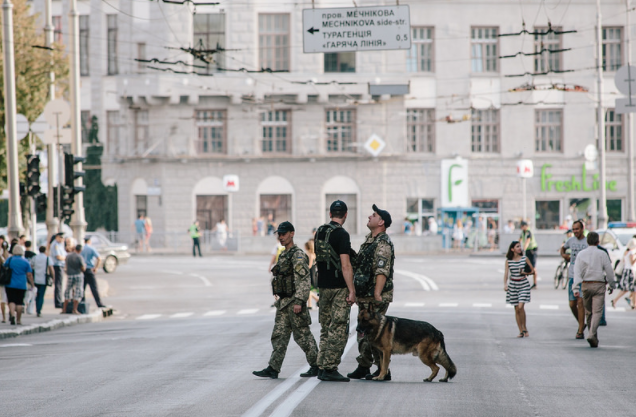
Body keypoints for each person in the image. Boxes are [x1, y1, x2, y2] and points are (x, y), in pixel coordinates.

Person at [253, 221, 319, 379]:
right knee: (279, 336)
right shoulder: (283, 254)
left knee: (302, 336)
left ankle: (317, 365)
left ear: (292, 233)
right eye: (279, 234)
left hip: (294, 302)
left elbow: (303, 279)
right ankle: (273, 368)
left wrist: (299, 301)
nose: (281, 237)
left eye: (283, 234)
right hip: (283, 303)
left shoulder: (297, 254)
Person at [348, 204, 395, 381]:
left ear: (381, 222)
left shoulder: (382, 243)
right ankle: (371, 367)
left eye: (373, 215)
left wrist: (377, 294)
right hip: (364, 295)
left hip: (375, 296)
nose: (369, 216)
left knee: (371, 332)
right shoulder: (370, 240)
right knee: (367, 332)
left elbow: (382, 270)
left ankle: (373, 368)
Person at [314, 200, 356, 382]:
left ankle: (322, 365)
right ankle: (330, 368)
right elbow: (345, 266)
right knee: (338, 328)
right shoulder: (342, 235)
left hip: (323, 287)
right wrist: (352, 290)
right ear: (345, 215)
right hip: (339, 287)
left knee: (325, 327)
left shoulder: (319, 232)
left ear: (330, 214)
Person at [572, 232, 617, 348]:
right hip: (599, 285)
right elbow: (609, 271)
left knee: (589, 311)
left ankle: (594, 337)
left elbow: (576, 271)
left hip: (586, 285)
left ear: (587, 241)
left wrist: (575, 287)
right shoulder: (602, 254)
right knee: (597, 312)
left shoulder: (581, 254)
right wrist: (612, 285)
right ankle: (592, 334)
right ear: (598, 241)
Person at [561, 220, 588, 339]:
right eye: (573, 229)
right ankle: (581, 323)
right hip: (572, 275)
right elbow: (562, 248)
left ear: (582, 229)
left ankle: (580, 330)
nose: (575, 231)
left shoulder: (588, 242)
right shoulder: (570, 241)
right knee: (572, 304)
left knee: (580, 302)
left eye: (577, 229)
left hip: (584, 277)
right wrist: (564, 256)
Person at [504, 241, 534, 338]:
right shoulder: (508, 261)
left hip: (523, 284)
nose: (519, 248)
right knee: (517, 309)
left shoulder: (525, 259)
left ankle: (524, 327)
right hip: (513, 285)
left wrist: (525, 273)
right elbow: (506, 274)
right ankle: (521, 331)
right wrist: (505, 284)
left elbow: (532, 271)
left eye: (520, 246)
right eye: (517, 247)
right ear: (512, 249)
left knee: (521, 306)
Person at [3, 245, 34, 325]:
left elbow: (4, 266)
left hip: (10, 283)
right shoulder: (25, 261)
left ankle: (12, 314)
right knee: (19, 302)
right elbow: (29, 274)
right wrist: (32, 284)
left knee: (11, 300)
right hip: (22, 284)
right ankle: (18, 319)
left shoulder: (10, 260)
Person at [611, 238, 636, 309]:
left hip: (626, 270)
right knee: (631, 288)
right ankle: (633, 304)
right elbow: (632, 263)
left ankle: (633, 304)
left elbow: (624, 261)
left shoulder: (626, 251)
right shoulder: (631, 252)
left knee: (630, 289)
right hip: (630, 271)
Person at [81, 237, 106, 308]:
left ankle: (82, 303)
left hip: (82, 270)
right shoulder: (91, 249)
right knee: (94, 288)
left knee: (82, 288)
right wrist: (96, 267)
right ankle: (99, 303)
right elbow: (99, 258)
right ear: (89, 241)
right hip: (90, 269)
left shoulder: (81, 249)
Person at [62, 245, 86, 315]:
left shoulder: (68, 256)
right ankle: (74, 309)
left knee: (68, 290)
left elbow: (65, 265)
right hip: (78, 274)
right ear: (80, 250)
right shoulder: (79, 257)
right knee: (78, 291)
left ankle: (64, 309)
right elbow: (83, 268)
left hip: (69, 275)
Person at [31, 246, 53, 317]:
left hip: (35, 279)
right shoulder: (47, 258)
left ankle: (36, 307)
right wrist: (53, 277)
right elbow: (51, 269)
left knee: (36, 294)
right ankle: (39, 310)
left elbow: (31, 267)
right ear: (45, 251)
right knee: (41, 295)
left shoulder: (34, 258)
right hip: (43, 279)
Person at [50, 232, 67, 309]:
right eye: (61, 237)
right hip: (57, 266)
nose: (63, 239)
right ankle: (58, 302)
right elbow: (58, 256)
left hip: (61, 265)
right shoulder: (55, 245)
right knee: (58, 284)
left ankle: (59, 300)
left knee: (60, 284)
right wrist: (67, 258)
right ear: (57, 237)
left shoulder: (60, 244)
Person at [519, 221, 538, 288]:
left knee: (533, 267)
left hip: (532, 250)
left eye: (522, 226)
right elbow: (519, 240)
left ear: (525, 226)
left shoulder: (528, 232)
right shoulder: (522, 232)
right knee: (526, 266)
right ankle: (523, 283)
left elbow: (528, 241)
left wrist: (523, 249)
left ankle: (535, 283)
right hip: (527, 250)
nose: (521, 228)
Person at [305, 240, 319, 309]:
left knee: (309, 289)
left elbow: (310, 265)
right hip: (313, 273)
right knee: (309, 289)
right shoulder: (313, 254)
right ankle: (311, 303)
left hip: (311, 273)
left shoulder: (310, 255)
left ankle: (310, 304)